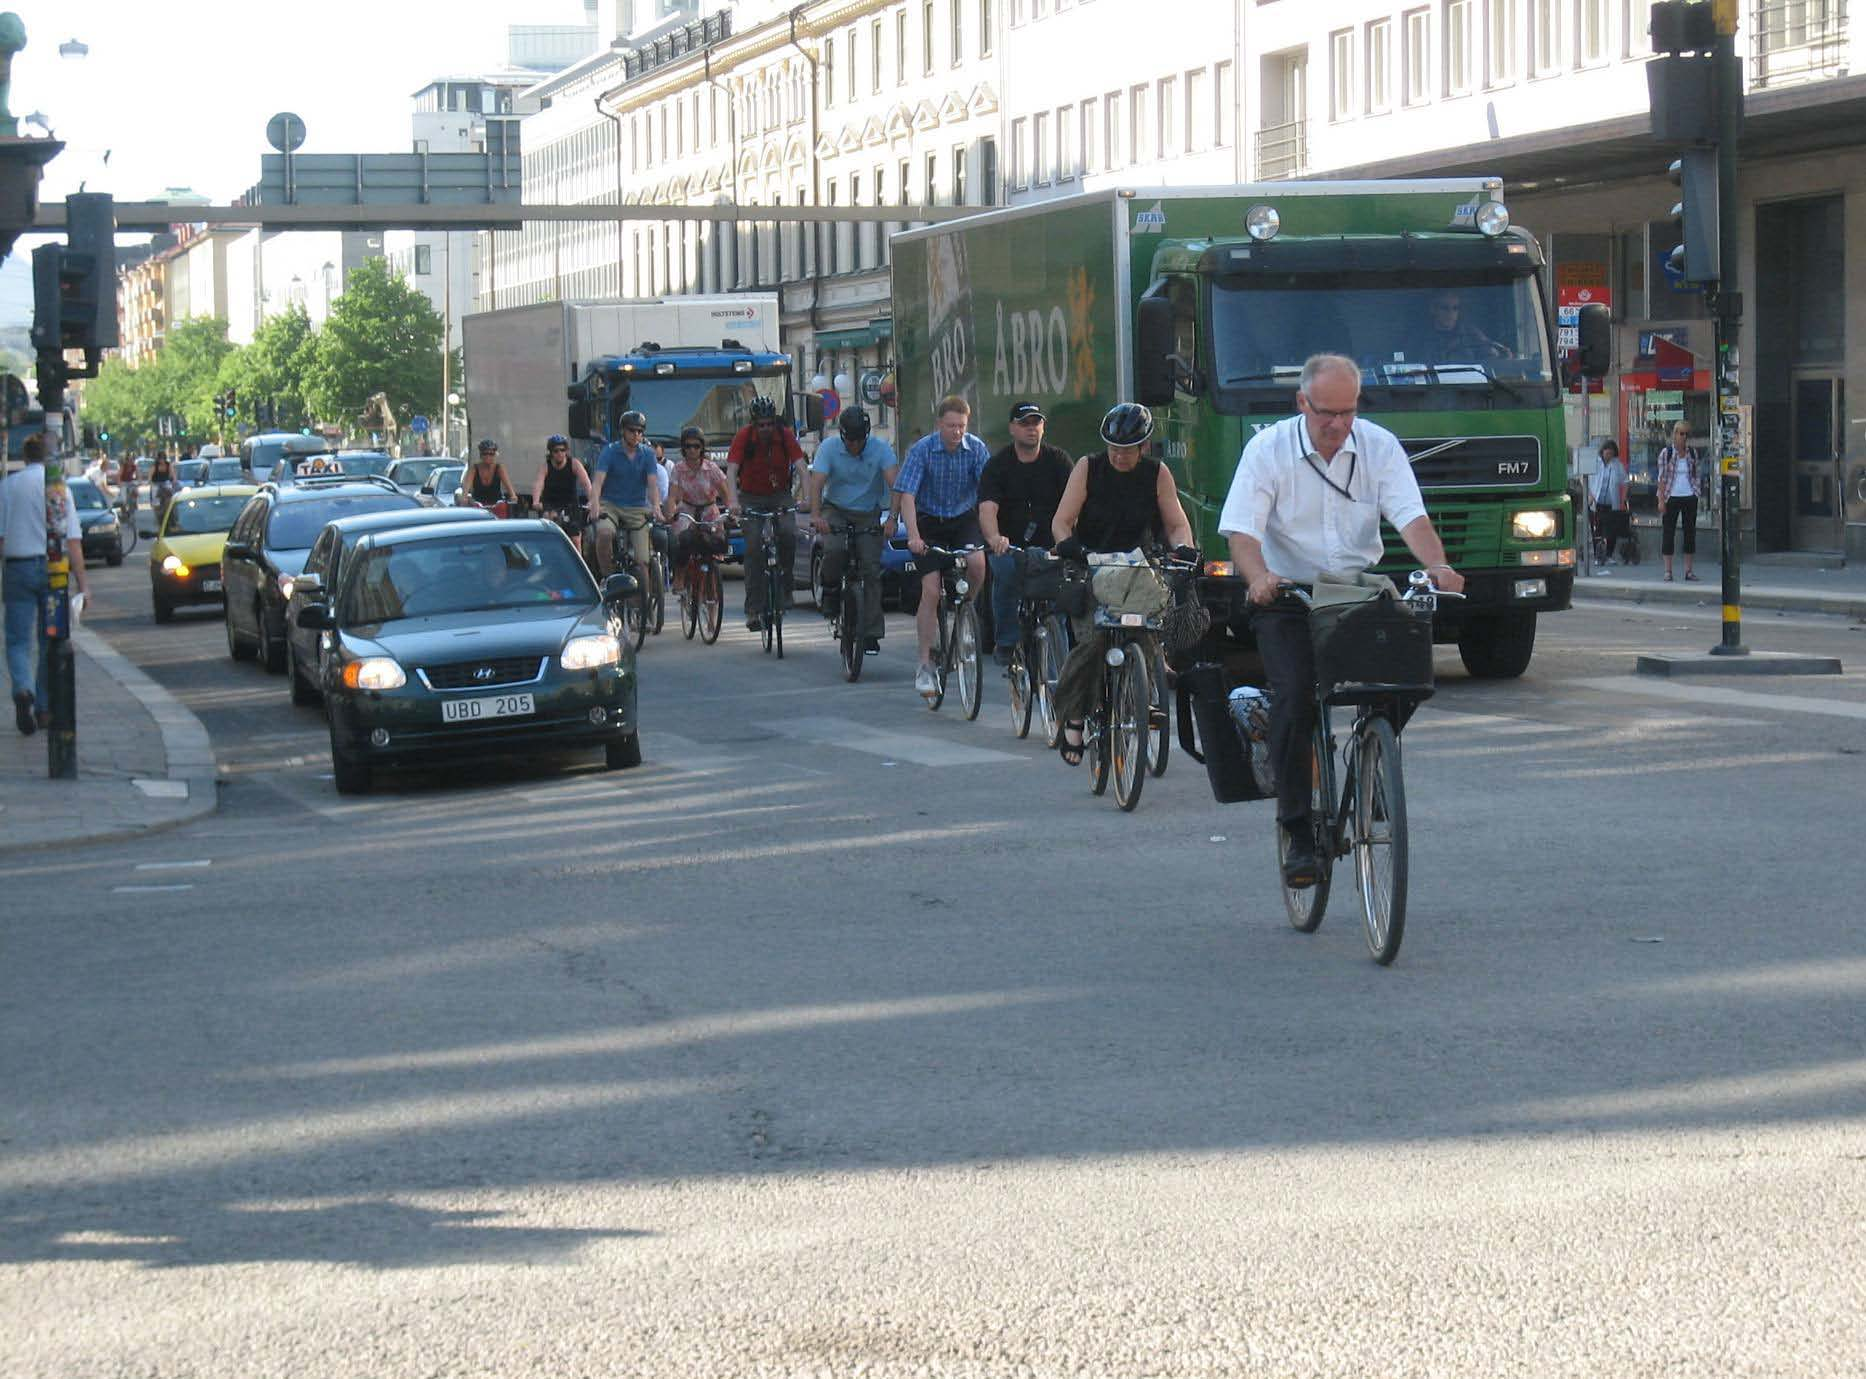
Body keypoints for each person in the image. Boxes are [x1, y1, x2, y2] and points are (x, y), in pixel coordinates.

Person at [1217, 353, 1465, 888]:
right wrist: (1258, 577)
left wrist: (1437, 565)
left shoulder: (1378, 446)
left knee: (1407, 679)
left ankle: (1371, 760)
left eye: (1348, 412)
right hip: (1287, 593)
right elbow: (1242, 533)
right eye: (1326, 412)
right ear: (1302, 403)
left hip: (1354, 591)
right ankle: (1297, 829)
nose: (1337, 425)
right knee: (1296, 697)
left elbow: (1411, 516)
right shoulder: (1268, 449)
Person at [1048, 403, 1196, 764]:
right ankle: (1076, 717)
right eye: (1112, 448)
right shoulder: (1088, 467)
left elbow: (1175, 523)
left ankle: (1145, 692)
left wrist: (1186, 550)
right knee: (1093, 639)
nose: (1118, 455)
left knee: (1147, 626)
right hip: (1093, 563)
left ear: (1143, 447)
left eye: (1126, 449)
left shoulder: (1156, 473)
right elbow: (1062, 520)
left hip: (1136, 566)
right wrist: (1069, 545)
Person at [895, 394, 992, 699]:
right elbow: (907, 494)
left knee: (977, 564)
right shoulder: (922, 450)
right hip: (929, 522)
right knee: (932, 590)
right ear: (939, 424)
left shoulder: (976, 449)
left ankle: (966, 613)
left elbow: (987, 494)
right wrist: (913, 535)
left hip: (962, 518)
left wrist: (991, 532)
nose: (957, 432)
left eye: (962, 426)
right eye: (951, 426)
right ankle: (925, 663)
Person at [1, 435, 90, 735]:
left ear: (25, 456)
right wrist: (83, 585)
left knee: (16, 640)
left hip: (18, 567)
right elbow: (74, 541)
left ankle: (23, 689)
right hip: (55, 570)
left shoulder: (8, 486)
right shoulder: (58, 487)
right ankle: (43, 707)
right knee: (49, 640)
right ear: (51, 455)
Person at [978, 400, 1074, 667]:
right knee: (1005, 572)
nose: (1032, 429)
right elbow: (987, 509)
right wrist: (995, 538)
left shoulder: (1059, 461)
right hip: (1010, 546)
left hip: (1051, 545)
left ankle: (1064, 648)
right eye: (1025, 423)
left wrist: (1069, 539)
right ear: (1012, 428)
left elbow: (1075, 502)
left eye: (1036, 423)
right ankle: (1007, 641)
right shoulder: (998, 465)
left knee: (1066, 590)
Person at [807, 407, 898, 654]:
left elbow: (895, 484)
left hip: (867, 512)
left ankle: (871, 633)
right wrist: (816, 515)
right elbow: (817, 482)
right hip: (835, 508)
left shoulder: (880, 449)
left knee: (871, 569)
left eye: (859, 440)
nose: (854, 445)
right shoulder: (829, 447)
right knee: (833, 549)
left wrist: (892, 518)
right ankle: (831, 591)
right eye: (850, 440)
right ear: (843, 435)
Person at [727, 396, 807, 630]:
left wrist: (807, 499)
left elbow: (801, 467)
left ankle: (786, 586)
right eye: (761, 425)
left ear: (774, 422)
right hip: (750, 497)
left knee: (788, 533)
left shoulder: (784, 436)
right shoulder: (743, 437)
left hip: (779, 494)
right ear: (754, 424)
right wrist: (733, 501)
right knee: (752, 549)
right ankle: (753, 609)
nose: (765, 429)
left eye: (769, 424)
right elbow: (731, 471)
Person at [586, 410, 665, 580]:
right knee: (605, 534)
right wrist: (595, 504)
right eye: (632, 430)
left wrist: (656, 507)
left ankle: (642, 599)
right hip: (611, 505)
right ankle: (608, 576)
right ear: (623, 431)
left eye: (640, 431)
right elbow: (598, 481)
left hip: (637, 508)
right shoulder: (610, 451)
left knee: (643, 562)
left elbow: (652, 485)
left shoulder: (648, 454)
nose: (636, 435)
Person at [664, 426, 732, 591]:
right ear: (683, 448)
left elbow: (726, 494)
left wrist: (732, 512)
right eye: (688, 446)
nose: (692, 450)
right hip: (687, 511)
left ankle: (712, 587)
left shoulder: (712, 468)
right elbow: (672, 496)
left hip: (709, 512)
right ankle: (679, 576)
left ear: (702, 448)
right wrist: (671, 512)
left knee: (717, 542)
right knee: (683, 541)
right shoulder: (678, 469)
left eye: (696, 446)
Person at [1656, 421, 1701, 582]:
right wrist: (1661, 500)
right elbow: (1661, 478)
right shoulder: (1666, 453)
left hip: (1689, 495)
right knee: (1669, 532)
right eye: (1681, 434)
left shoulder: (1692, 453)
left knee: (1690, 533)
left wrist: (1697, 493)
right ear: (1674, 434)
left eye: (1686, 434)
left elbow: (1696, 474)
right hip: (1671, 496)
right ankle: (1668, 571)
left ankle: (1689, 571)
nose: (1684, 437)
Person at [1407, 290, 1508, 363]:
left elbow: (1491, 360)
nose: (1450, 313)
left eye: (1455, 308)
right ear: (1433, 309)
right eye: (1445, 308)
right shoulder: (1419, 337)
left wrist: (1503, 356)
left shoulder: (1472, 334)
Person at [531, 435, 591, 527]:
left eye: (562, 450)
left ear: (566, 451)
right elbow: (538, 484)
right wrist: (536, 501)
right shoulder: (545, 467)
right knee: (549, 519)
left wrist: (592, 500)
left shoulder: (574, 464)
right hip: (550, 505)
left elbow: (586, 484)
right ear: (551, 452)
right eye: (556, 451)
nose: (559, 453)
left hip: (570, 505)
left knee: (575, 539)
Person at [1591, 438, 1629, 568]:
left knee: (1612, 531)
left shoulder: (1617, 465)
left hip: (1611, 502)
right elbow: (1583, 479)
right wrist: (1590, 496)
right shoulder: (1595, 463)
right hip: (1597, 502)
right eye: (1607, 454)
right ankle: (1598, 556)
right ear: (1602, 452)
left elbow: (1625, 482)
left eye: (1611, 454)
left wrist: (1623, 498)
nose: (1609, 456)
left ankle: (1608, 555)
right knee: (1598, 530)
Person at [462, 439, 516, 508]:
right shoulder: (474, 469)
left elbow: (511, 490)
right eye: (485, 454)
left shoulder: (499, 468)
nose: (488, 456)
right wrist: (464, 498)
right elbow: (466, 490)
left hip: (496, 507)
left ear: (495, 455)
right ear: (480, 455)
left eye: (491, 454)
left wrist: (513, 497)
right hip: (478, 507)